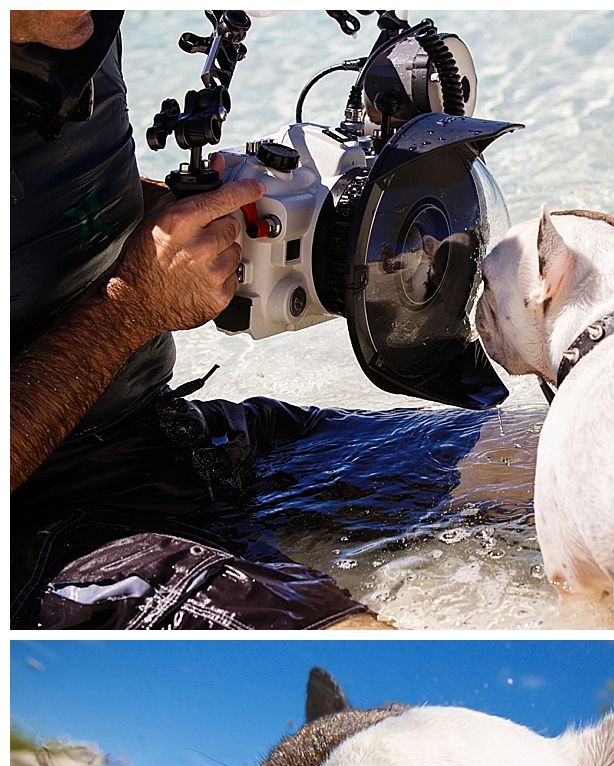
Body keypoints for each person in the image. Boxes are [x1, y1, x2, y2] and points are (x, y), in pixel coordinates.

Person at [11, 11, 523, 629]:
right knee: (352, 647)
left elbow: (64, 188)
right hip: (41, 518)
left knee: (547, 462)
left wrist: (185, 210)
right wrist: (134, 307)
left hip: (171, 433)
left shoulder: (78, 21)